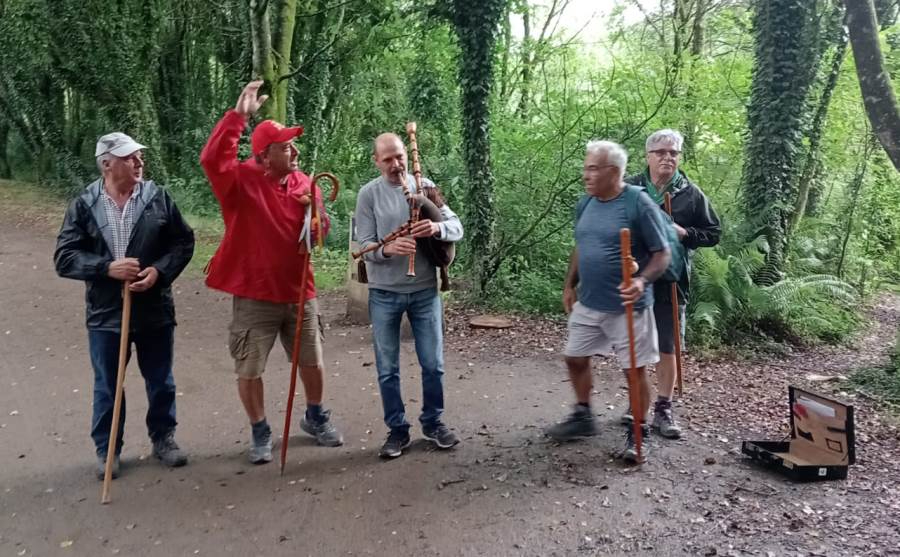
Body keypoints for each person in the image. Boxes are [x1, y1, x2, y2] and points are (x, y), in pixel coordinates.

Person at [200, 80, 343, 465]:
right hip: (254, 294)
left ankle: (314, 416)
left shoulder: (303, 183)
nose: (295, 151)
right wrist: (238, 117)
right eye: (284, 147)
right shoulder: (240, 181)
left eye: (294, 145)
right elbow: (213, 160)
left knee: (312, 360)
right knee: (250, 366)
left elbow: (320, 233)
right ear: (263, 156)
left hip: (300, 291)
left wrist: (314, 215)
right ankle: (260, 429)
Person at [54, 132, 195, 479]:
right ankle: (108, 449)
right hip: (105, 314)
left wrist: (159, 273)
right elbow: (64, 257)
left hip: (154, 309)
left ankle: (163, 438)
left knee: (160, 380)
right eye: (129, 157)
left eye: (138, 156)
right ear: (107, 164)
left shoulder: (158, 197)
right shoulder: (85, 204)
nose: (138, 162)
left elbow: (183, 241)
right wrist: (105, 268)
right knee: (108, 384)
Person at [546, 140, 671, 463]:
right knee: (574, 357)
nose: (585, 175)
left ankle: (637, 430)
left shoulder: (638, 204)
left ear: (613, 172)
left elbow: (663, 254)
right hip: (589, 302)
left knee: (634, 371)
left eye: (592, 168)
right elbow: (580, 244)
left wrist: (642, 280)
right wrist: (569, 284)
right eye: (586, 167)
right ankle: (584, 414)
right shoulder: (586, 203)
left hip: (628, 306)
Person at [355, 132, 464, 458]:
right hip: (384, 293)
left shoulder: (425, 186)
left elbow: (457, 227)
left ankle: (433, 423)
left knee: (434, 365)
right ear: (376, 161)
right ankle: (397, 430)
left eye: (399, 156)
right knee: (388, 368)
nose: (396, 164)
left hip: (424, 292)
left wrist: (436, 228)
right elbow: (364, 247)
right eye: (387, 159)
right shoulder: (368, 195)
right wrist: (387, 250)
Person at [624, 129, 721, 439]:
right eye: (661, 152)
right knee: (636, 346)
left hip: (672, 281)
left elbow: (714, 233)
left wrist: (685, 233)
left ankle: (663, 408)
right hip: (638, 278)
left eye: (674, 152)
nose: (668, 157)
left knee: (668, 345)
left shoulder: (691, 194)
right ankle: (637, 402)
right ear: (648, 156)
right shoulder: (631, 189)